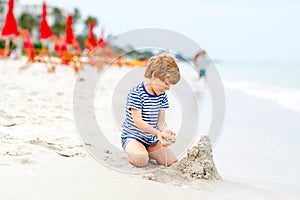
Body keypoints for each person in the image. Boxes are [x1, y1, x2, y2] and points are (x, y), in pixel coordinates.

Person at [121, 54, 180, 167]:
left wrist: (165, 130)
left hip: (151, 140)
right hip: (133, 137)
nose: (168, 88)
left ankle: (148, 151)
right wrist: (157, 133)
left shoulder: (162, 96)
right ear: (155, 75)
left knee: (172, 162)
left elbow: (160, 122)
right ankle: (136, 150)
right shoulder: (136, 93)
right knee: (141, 160)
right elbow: (138, 122)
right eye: (166, 83)